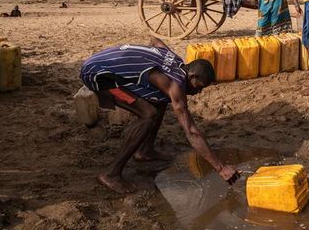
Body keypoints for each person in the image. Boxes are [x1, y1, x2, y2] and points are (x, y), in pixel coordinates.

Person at [80, 37, 240, 194]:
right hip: (97, 75)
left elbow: (155, 40)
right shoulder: (174, 85)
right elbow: (191, 131)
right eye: (199, 87)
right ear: (192, 77)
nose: (198, 92)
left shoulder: (176, 60)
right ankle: (111, 174)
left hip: (104, 64)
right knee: (148, 114)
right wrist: (221, 167)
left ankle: (144, 151)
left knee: (161, 98)